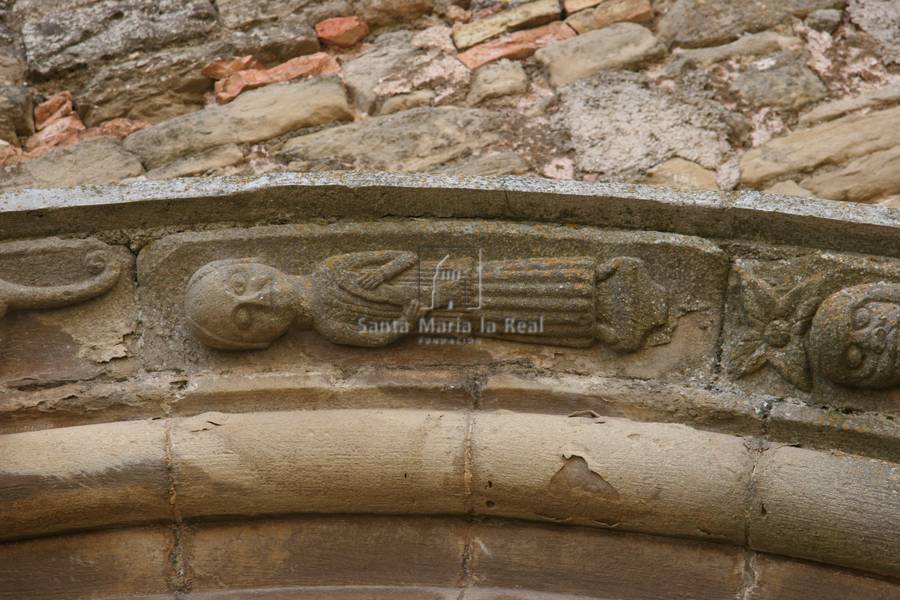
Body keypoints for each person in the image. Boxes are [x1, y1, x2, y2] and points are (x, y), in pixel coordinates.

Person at [184, 251, 668, 352]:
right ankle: (595, 327)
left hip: (441, 278)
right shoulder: (330, 328)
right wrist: (408, 320)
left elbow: (402, 253)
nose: (262, 298)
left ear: (254, 260)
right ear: (262, 343)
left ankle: (594, 275)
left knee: (503, 279)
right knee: (506, 314)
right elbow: (375, 337)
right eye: (247, 318)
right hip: (444, 314)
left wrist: (383, 273)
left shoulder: (331, 268)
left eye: (243, 282)